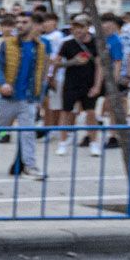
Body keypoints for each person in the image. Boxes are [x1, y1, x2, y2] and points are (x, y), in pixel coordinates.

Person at [0, 15, 49, 179]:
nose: (20, 25)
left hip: (28, 98)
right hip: (7, 97)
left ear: (32, 24)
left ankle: (30, 166)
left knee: (28, 133)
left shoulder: (40, 47)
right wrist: (2, 84)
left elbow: (41, 71)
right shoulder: (7, 44)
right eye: (18, 22)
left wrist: (39, 97)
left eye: (24, 22)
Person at [54, 15, 104, 157]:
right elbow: (56, 63)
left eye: (81, 27)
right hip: (70, 83)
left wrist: (97, 86)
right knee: (66, 112)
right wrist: (72, 62)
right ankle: (62, 143)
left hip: (88, 84)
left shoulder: (97, 44)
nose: (78, 30)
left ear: (88, 27)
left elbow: (100, 66)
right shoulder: (67, 44)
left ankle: (94, 143)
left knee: (91, 113)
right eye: (75, 27)